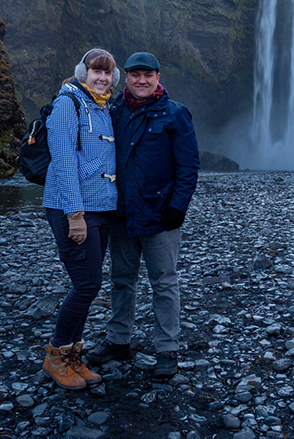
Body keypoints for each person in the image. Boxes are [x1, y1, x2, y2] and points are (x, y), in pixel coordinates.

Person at [87, 52, 200, 379]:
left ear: (157, 76)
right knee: (121, 280)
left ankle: (167, 348)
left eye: (147, 75)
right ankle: (119, 340)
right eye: (135, 74)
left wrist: (179, 206)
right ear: (126, 76)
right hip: (121, 213)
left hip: (160, 214)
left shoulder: (175, 114)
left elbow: (189, 165)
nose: (141, 80)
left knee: (164, 282)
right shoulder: (111, 111)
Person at [40, 48, 119, 390]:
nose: (102, 77)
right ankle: (55, 356)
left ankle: (73, 355)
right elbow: (63, 164)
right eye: (95, 71)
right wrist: (74, 214)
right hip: (71, 209)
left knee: (88, 286)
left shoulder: (103, 107)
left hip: (101, 209)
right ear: (83, 72)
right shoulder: (66, 105)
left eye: (107, 73)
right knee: (87, 285)